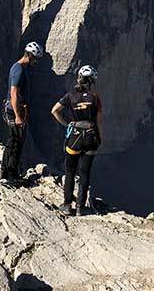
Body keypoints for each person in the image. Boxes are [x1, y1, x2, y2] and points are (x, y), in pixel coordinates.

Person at [51, 65, 101, 216]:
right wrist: (100, 138)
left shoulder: (70, 95)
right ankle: (80, 207)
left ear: (79, 78)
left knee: (70, 171)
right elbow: (99, 121)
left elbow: (54, 111)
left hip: (75, 137)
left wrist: (67, 124)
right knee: (85, 173)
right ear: (91, 81)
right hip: (91, 137)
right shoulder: (95, 97)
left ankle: (67, 205)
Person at [1, 41, 44, 184]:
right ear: (31, 56)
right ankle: (10, 174)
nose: (36, 62)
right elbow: (13, 93)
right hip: (14, 111)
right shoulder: (18, 69)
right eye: (36, 59)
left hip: (17, 109)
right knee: (16, 141)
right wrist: (18, 115)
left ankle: (7, 172)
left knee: (14, 140)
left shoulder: (20, 68)